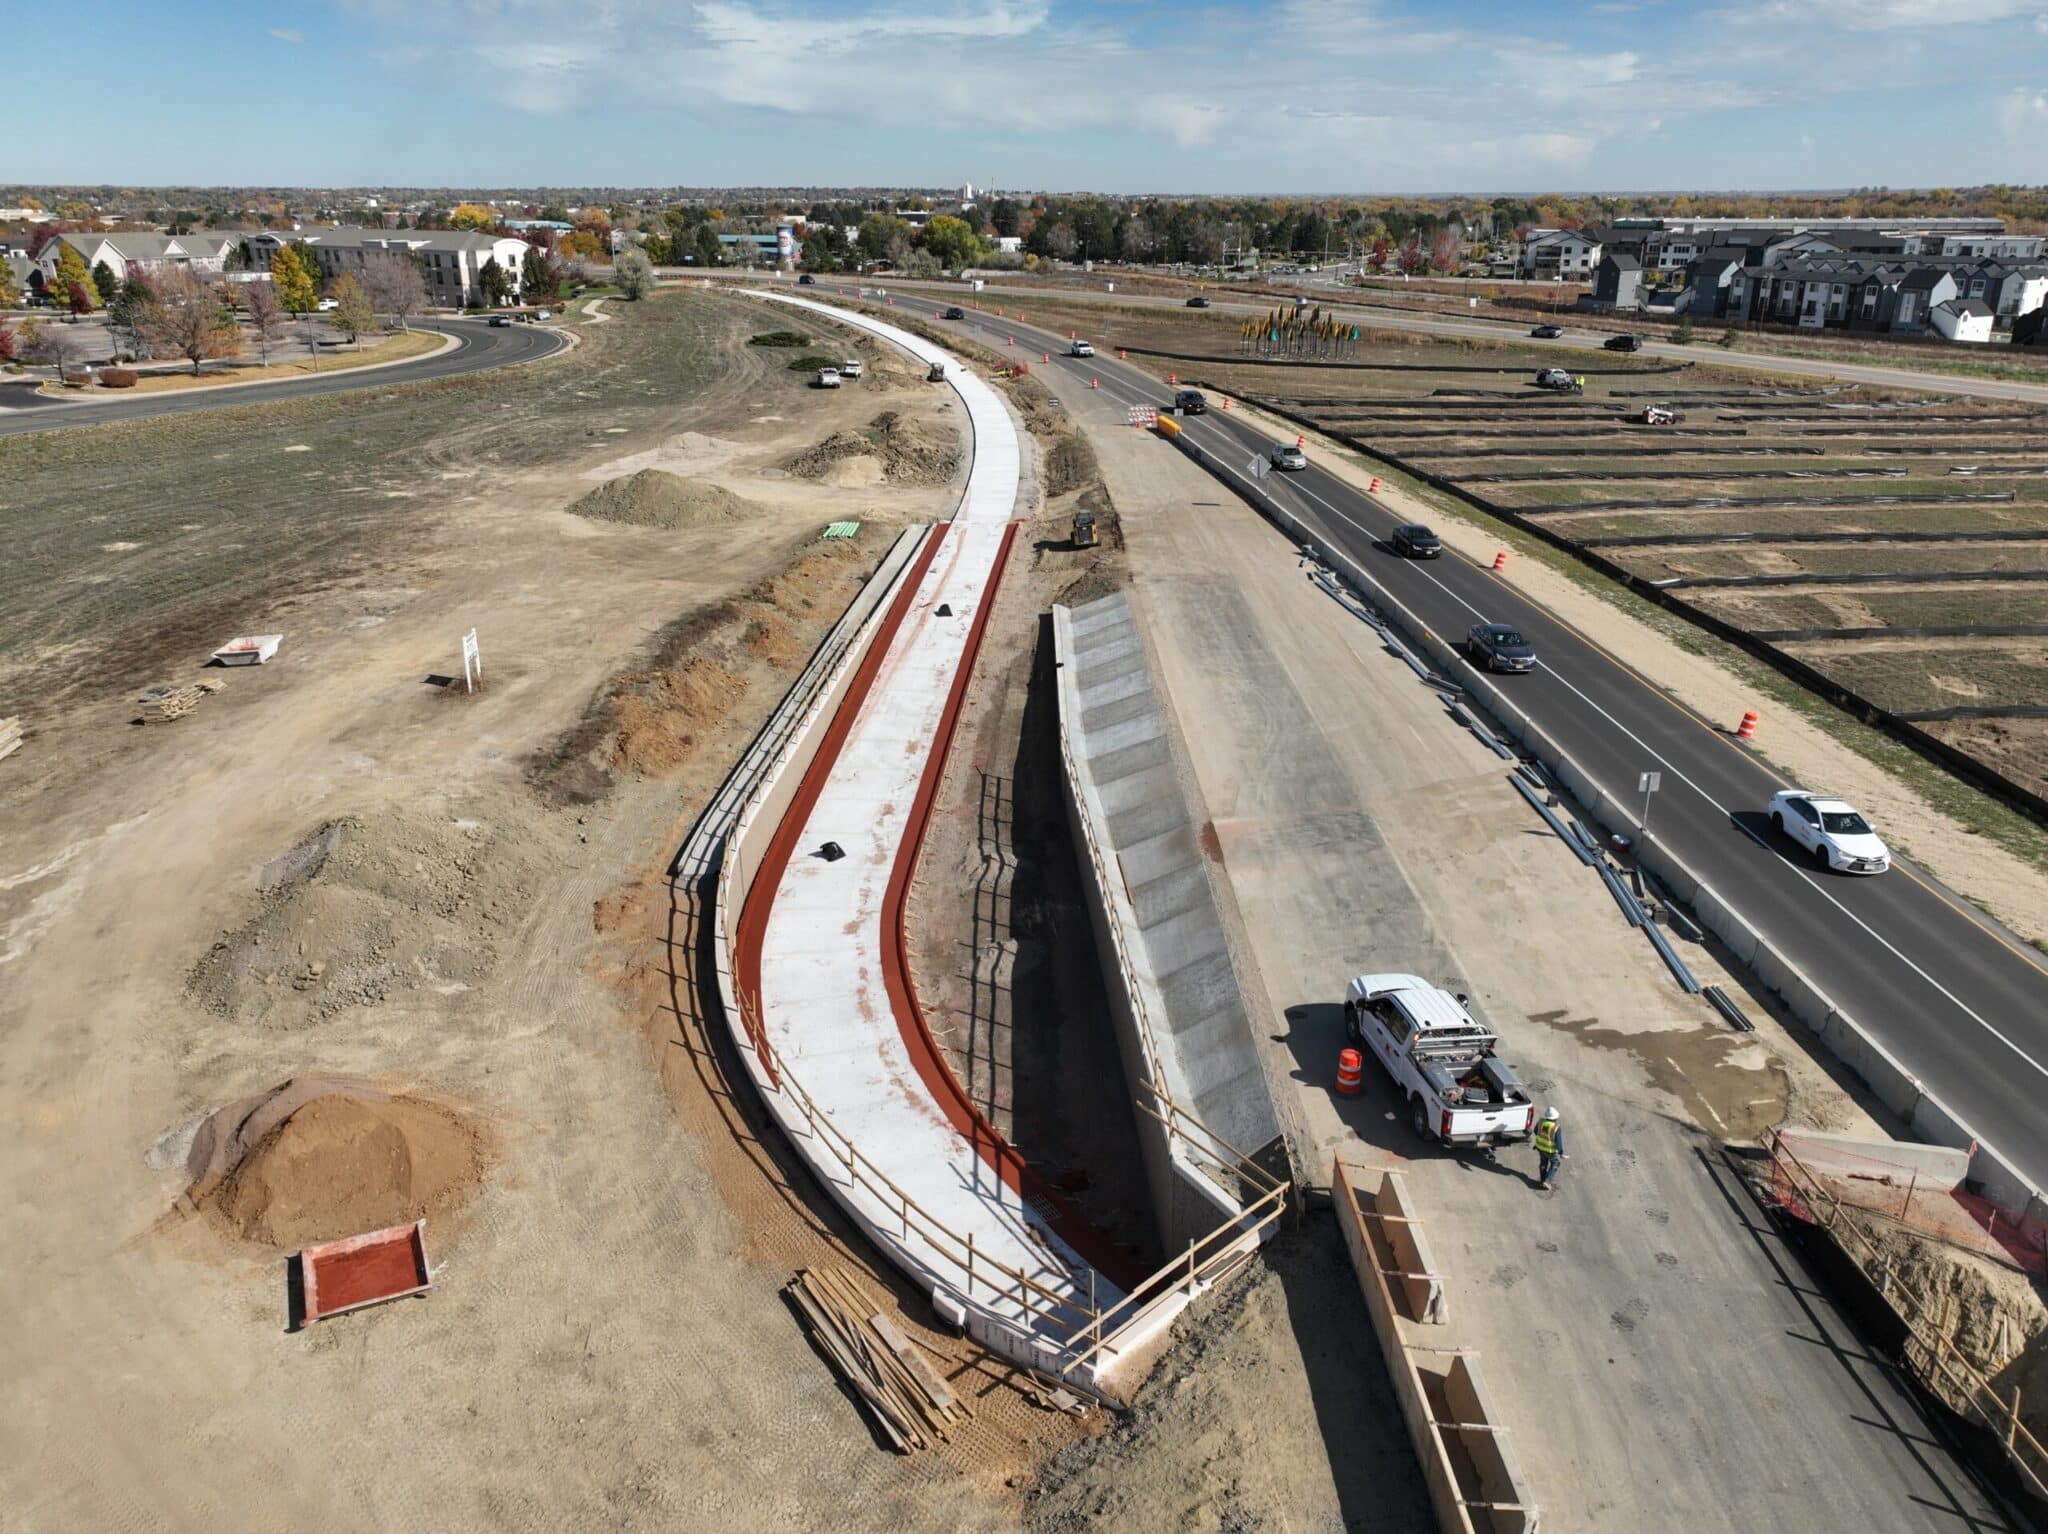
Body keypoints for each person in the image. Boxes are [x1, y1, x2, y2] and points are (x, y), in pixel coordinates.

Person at [1533, 1106, 1565, 1191]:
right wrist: (1561, 1153)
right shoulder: (1556, 1127)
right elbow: (1558, 1142)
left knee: (1543, 1163)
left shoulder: (1540, 1122)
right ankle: (1547, 1181)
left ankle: (1542, 1180)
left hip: (1540, 1147)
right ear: (1555, 1118)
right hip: (1550, 1151)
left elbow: (1535, 1131)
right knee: (1555, 1163)